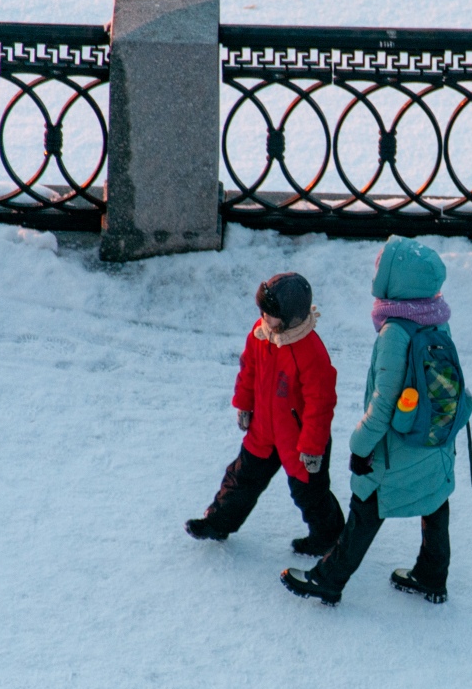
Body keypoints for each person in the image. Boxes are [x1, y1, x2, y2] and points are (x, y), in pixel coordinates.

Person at [281, 236, 458, 606]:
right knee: (434, 500)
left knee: (366, 507)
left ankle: (328, 580)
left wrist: (358, 448)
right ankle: (431, 576)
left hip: (395, 448)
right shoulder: (436, 317)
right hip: (434, 441)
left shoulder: (396, 332)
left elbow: (382, 406)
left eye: (382, 267)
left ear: (397, 281)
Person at [185, 272, 345, 554]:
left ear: (290, 316)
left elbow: (321, 405)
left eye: (269, 313)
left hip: (301, 440)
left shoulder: (311, 353)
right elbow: (249, 371)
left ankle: (329, 536)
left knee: (310, 494)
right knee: (241, 477)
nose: (263, 316)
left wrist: (312, 448)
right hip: (264, 428)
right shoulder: (260, 334)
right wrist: (244, 404)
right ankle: (219, 521)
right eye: (262, 310)